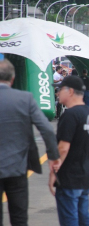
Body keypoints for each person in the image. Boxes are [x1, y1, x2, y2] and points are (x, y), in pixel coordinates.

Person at [0, 60, 60, 225]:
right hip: (17, 168)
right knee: (19, 218)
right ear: (12, 79)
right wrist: (53, 157)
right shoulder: (25, 99)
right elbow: (47, 129)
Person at [50, 75, 89, 226]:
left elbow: (63, 148)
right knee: (84, 217)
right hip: (85, 176)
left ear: (70, 91)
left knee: (70, 219)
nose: (57, 94)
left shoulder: (70, 115)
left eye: (59, 90)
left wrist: (53, 173)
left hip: (69, 178)